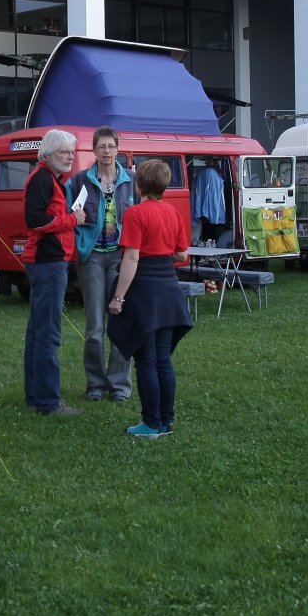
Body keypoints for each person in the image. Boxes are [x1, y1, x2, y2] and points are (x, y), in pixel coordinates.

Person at [106, 158, 192, 439]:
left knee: (146, 360)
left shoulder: (135, 214)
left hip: (144, 290)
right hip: (168, 289)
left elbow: (132, 258)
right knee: (163, 361)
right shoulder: (173, 212)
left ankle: (151, 423)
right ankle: (165, 422)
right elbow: (181, 254)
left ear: (139, 184)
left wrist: (118, 298)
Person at [69, 127, 136, 402]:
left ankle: (120, 386)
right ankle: (95, 384)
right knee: (94, 326)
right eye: (102, 147)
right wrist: (78, 235)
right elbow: (66, 214)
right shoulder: (79, 181)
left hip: (122, 259)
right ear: (94, 151)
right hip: (93, 259)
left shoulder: (132, 180)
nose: (106, 151)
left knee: (120, 323)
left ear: (118, 149)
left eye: (111, 146)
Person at [22, 128, 85, 417]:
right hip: (48, 263)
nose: (70, 157)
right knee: (47, 333)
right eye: (63, 152)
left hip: (48, 262)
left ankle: (36, 396)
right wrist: (72, 219)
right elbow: (35, 220)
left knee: (38, 331)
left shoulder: (50, 178)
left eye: (72, 152)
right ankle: (48, 402)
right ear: (48, 154)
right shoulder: (43, 179)